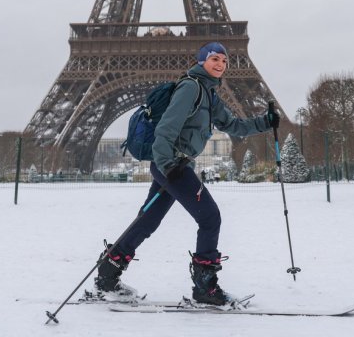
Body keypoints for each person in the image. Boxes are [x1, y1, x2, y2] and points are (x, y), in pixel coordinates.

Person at [94, 42, 280, 305]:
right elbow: (166, 129)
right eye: (214, 58)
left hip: (175, 166)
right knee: (210, 217)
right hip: (171, 165)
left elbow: (233, 125)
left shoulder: (209, 94)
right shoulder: (191, 87)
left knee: (147, 221)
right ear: (202, 60)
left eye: (224, 61)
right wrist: (168, 164)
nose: (220, 64)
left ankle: (107, 276)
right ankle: (205, 289)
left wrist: (265, 122)